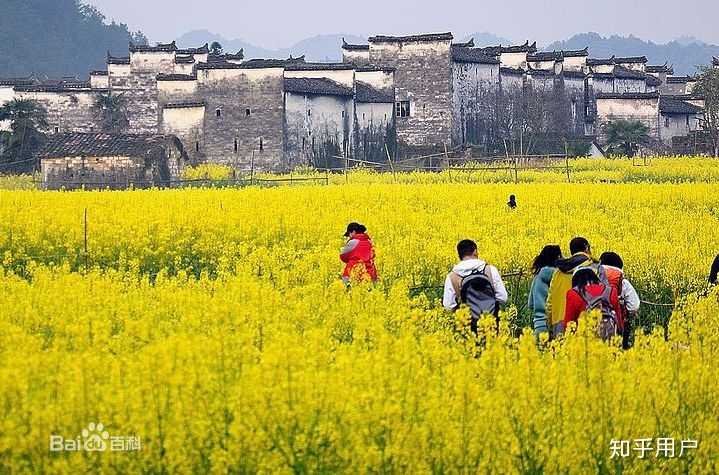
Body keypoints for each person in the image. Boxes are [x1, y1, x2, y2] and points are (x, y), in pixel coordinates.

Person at [442, 239, 508, 333]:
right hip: (491, 326)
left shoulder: (452, 276)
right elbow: (503, 298)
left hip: (467, 328)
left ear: (459, 255)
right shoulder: (490, 270)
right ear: (475, 252)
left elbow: (448, 306)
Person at [546, 237, 599, 337]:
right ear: (586, 248)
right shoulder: (594, 268)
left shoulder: (558, 271)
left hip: (559, 323)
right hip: (586, 322)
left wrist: (550, 324)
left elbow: (550, 302)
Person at [564, 268, 622, 339]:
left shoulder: (573, 293)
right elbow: (619, 321)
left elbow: (569, 323)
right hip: (609, 339)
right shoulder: (611, 291)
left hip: (584, 342)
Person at [599, 251, 640, 348]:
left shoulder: (592, 276)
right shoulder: (623, 282)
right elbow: (634, 306)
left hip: (591, 322)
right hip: (616, 325)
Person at [527, 245, 563, 338]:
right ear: (558, 257)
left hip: (539, 325)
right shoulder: (559, 277)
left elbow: (530, 304)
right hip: (555, 324)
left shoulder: (537, 276)